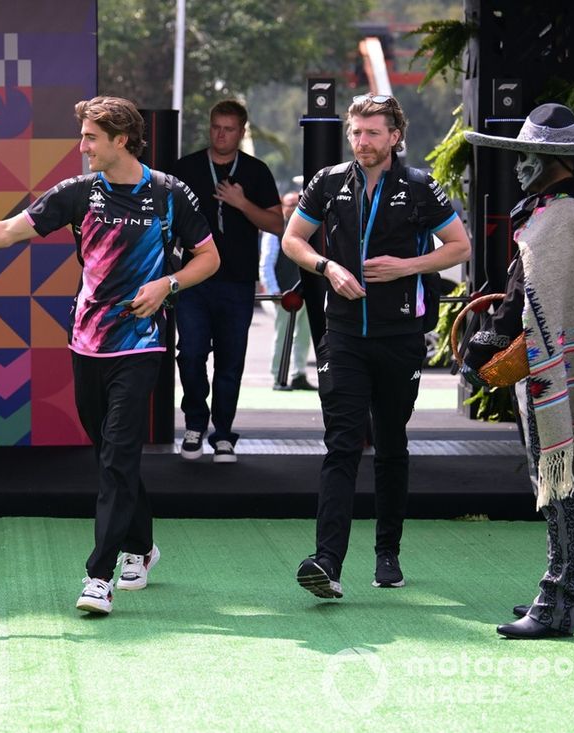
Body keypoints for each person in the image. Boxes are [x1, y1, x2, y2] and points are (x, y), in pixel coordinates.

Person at [0, 96, 219, 615]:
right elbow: (6, 232)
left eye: (91, 137)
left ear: (120, 139)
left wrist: (168, 283)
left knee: (117, 454)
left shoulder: (167, 193)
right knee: (111, 455)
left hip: (142, 342)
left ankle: (99, 576)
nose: (82, 146)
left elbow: (210, 256)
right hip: (87, 342)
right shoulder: (77, 193)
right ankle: (143, 546)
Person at [282, 93, 470, 598]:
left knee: (390, 444)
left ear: (394, 136)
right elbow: (292, 240)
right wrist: (327, 267)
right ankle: (327, 563)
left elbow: (460, 247)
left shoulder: (418, 186)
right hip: (342, 335)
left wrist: (406, 266)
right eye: (356, 132)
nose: (362, 141)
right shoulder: (327, 181)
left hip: (400, 337)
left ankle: (388, 552)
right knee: (342, 443)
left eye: (372, 133)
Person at [461, 103, 574, 638]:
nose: (519, 165)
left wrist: (484, 345)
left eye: (527, 154)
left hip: (552, 370)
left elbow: (528, 301)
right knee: (569, 477)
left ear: (552, 159)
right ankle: (570, 593)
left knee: (558, 480)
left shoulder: (558, 219)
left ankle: (554, 601)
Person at [170, 100, 283, 462]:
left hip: (237, 281)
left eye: (229, 129)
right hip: (191, 280)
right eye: (216, 127)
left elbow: (277, 225)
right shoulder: (185, 168)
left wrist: (241, 203)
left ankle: (223, 433)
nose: (220, 134)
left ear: (242, 131)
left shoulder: (256, 171)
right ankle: (194, 425)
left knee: (231, 360)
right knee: (190, 355)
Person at [259, 191, 314, 391]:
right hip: (284, 294)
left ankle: (298, 374)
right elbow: (266, 264)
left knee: (303, 336)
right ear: (283, 207)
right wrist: (275, 293)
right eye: (290, 204)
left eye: (297, 203)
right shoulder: (275, 230)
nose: (294, 207)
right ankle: (278, 377)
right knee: (282, 335)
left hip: (305, 292)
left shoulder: (308, 227)